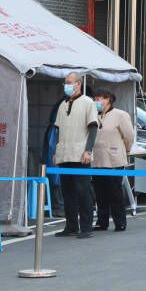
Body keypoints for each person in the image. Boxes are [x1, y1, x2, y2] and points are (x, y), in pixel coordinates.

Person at [54, 73, 99, 238]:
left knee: (83, 191)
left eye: (69, 82)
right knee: (67, 192)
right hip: (64, 153)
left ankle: (86, 227)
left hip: (80, 154)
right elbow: (59, 130)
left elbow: (93, 128)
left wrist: (88, 150)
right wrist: (57, 151)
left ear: (78, 83)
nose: (66, 85)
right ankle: (71, 225)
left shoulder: (88, 102)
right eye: (65, 82)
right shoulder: (62, 104)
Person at [91, 89, 134, 232]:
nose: (96, 102)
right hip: (97, 159)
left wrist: (126, 149)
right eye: (95, 99)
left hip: (114, 159)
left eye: (99, 99)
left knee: (115, 192)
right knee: (100, 192)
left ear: (108, 99)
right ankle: (102, 221)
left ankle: (120, 221)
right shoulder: (94, 115)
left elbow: (129, 135)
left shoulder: (120, 115)